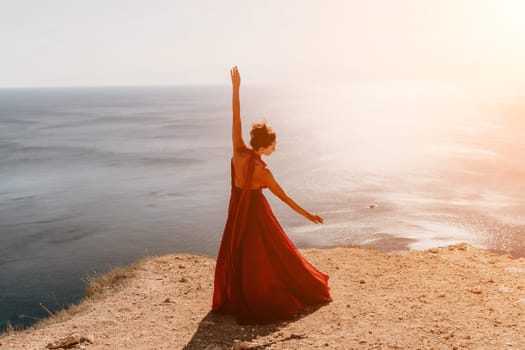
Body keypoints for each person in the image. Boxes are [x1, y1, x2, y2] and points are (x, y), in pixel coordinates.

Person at [212, 66, 332, 324]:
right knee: (273, 255)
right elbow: (285, 198)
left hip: (235, 213)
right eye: (273, 146)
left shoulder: (238, 152)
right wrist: (308, 214)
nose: (275, 149)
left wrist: (235, 89)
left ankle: (237, 294)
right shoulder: (263, 172)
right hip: (255, 216)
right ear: (263, 147)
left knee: (239, 252)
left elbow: (236, 118)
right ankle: (264, 293)